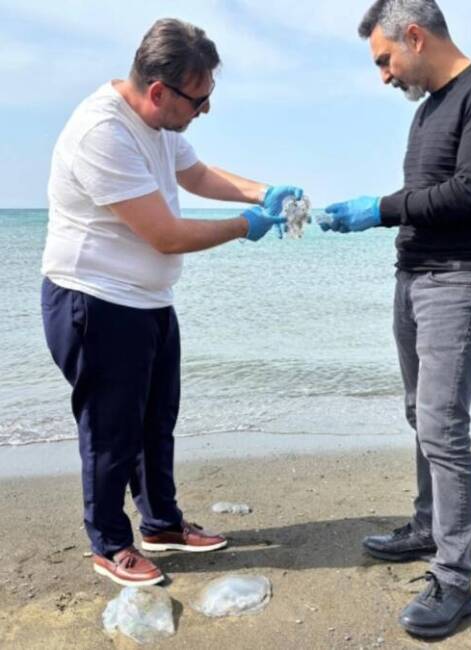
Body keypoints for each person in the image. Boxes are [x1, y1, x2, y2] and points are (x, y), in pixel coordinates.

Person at [40, 18, 302, 587]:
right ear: (160, 92)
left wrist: (264, 192)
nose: (204, 111)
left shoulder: (158, 121)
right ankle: (110, 543)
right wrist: (244, 226)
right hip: (94, 300)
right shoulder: (101, 133)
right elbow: (166, 235)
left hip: (148, 301)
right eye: (199, 101)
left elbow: (197, 173)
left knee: (157, 418)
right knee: (112, 430)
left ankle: (160, 523)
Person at [322, 0, 471, 638]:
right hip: (413, 279)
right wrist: (386, 222)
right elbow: (427, 200)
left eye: (385, 59)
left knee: (443, 427)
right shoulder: (428, 109)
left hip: (462, 282)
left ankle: (456, 581)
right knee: (420, 413)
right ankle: (425, 526)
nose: (384, 75)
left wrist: (379, 208)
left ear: (414, 36)